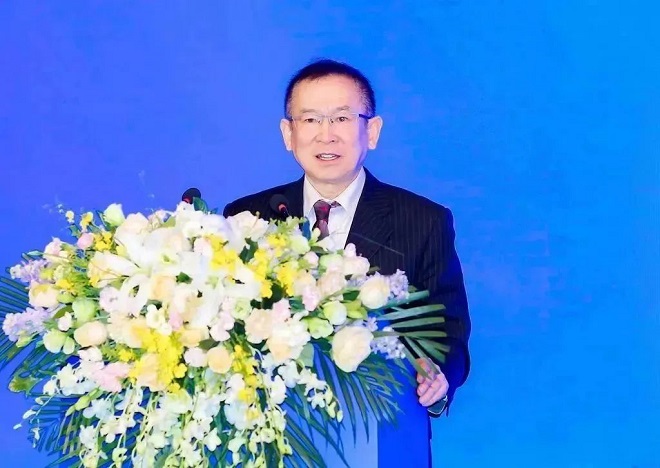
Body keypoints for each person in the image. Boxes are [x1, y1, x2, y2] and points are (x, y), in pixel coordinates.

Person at [223, 59, 471, 467]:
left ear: (371, 131)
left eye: (341, 118)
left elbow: (449, 329)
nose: (326, 134)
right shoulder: (249, 217)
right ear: (288, 133)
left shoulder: (422, 220)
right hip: (271, 436)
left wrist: (438, 376)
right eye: (310, 119)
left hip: (380, 434)